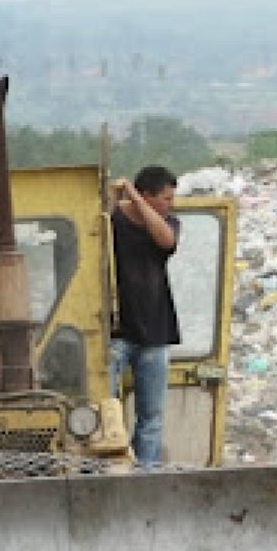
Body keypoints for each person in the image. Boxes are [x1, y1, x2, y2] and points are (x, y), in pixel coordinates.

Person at [109, 165, 180, 466]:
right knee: (105, 410)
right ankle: (110, 467)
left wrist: (137, 201)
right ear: (149, 195)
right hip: (115, 332)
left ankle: (146, 472)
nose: (170, 205)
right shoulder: (113, 221)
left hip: (154, 330)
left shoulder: (167, 223)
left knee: (151, 415)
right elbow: (90, 227)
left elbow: (166, 241)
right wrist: (117, 198)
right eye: (165, 198)